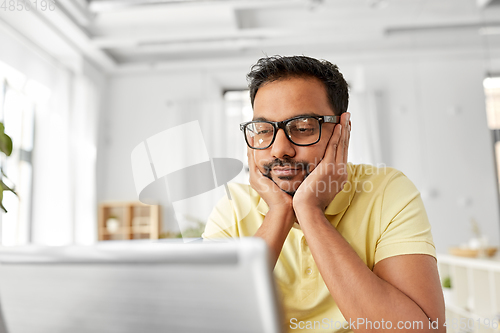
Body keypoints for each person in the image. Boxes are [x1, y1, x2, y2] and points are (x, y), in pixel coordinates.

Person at [202, 55, 445, 332]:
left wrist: (310, 212)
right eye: (264, 131)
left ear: (343, 131)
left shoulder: (387, 191)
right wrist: (279, 212)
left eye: (303, 128)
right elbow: (209, 322)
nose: (278, 149)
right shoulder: (233, 207)